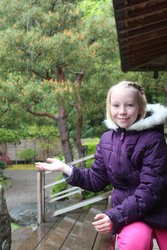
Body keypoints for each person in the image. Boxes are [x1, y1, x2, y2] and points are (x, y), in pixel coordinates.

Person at [36, 80, 167, 250]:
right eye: (116, 105)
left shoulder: (154, 140)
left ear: (140, 108)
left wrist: (115, 216)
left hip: (160, 210)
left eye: (129, 105)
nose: (122, 111)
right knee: (135, 242)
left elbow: (151, 190)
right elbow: (96, 180)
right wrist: (65, 168)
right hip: (131, 215)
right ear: (109, 108)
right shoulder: (107, 140)